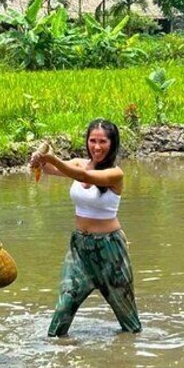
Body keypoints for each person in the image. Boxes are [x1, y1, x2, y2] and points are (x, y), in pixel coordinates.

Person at [30, 119, 142, 337]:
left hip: (110, 249)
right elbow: (51, 169)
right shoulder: (80, 163)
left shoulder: (115, 173)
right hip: (79, 247)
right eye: (92, 141)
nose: (97, 147)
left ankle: (129, 360)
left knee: (129, 320)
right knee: (64, 306)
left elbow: (84, 177)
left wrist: (52, 158)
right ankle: (57, 355)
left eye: (102, 142)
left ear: (113, 144)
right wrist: (40, 161)